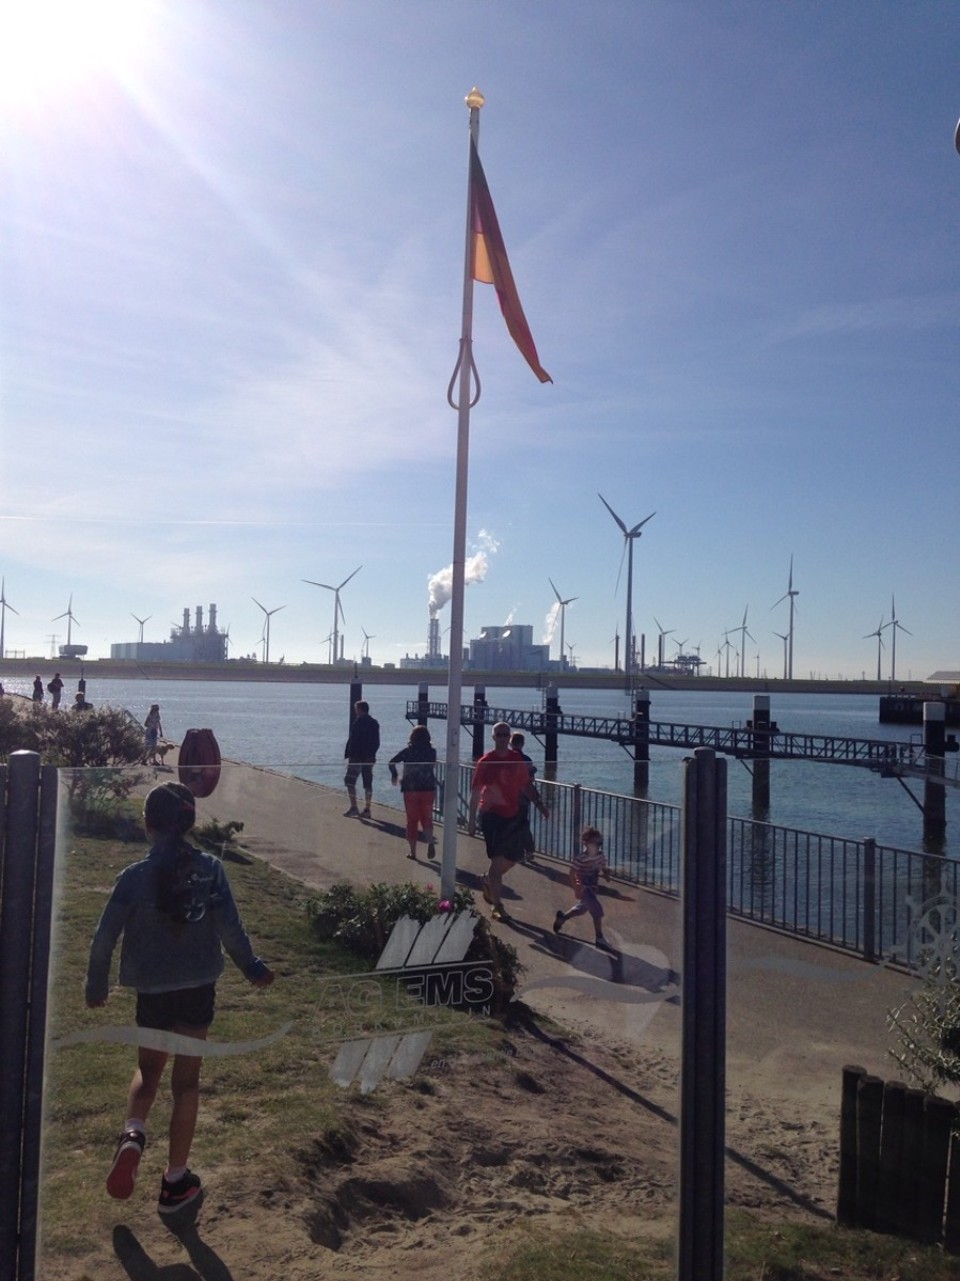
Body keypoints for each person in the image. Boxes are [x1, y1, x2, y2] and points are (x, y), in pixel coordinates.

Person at [84, 782, 275, 1216]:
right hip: (197, 988)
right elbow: (231, 928)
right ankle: (174, 1182)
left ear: (148, 825)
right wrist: (253, 968)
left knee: (147, 1072)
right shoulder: (211, 869)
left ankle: (133, 1136)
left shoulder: (131, 878)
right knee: (186, 1083)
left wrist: (96, 985)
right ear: (189, 822)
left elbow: (103, 938)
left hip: (152, 992)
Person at [468, 721, 549, 922]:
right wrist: (470, 820)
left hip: (512, 814)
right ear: (494, 737)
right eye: (500, 735)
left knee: (514, 858)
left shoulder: (516, 760)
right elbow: (476, 791)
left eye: (506, 735)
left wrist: (540, 805)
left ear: (510, 737)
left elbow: (525, 785)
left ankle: (488, 880)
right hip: (491, 815)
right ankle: (498, 905)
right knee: (497, 862)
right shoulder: (487, 761)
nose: (503, 738)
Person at [553, 824, 615, 952]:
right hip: (584, 888)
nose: (597, 846)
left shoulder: (600, 856)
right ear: (586, 844)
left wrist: (607, 874)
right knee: (597, 910)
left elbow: (603, 867)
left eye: (599, 843)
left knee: (582, 909)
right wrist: (576, 887)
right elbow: (572, 872)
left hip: (593, 887)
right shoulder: (581, 858)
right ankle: (599, 938)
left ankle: (562, 918)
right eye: (594, 843)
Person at [389, 724, 438, 860]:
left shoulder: (408, 751)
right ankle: (430, 842)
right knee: (427, 818)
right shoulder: (432, 752)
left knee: (412, 820)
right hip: (428, 788)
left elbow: (392, 762)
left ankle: (413, 852)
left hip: (411, 789)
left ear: (412, 737)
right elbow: (432, 765)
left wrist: (394, 775)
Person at [343, 699, 380, 818]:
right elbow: (376, 742)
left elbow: (354, 741)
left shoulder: (358, 722)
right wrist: (372, 754)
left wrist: (351, 754)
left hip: (357, 758)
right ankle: (367, 809)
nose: (355, 711)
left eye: (356, 709)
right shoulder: (374, 723)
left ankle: (354, 807)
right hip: (369, 758)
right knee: (368, 783)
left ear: (360, 709)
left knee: (349, 781)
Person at [509, 731, 538, 863]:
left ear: (510, 742)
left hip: (510, 797)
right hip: (524, 797)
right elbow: (530, 780)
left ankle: (518, 852)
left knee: (513, 825)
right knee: (523, 824)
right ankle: (529, 850)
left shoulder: (508, 757)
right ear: (523, 744)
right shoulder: (527, 759)